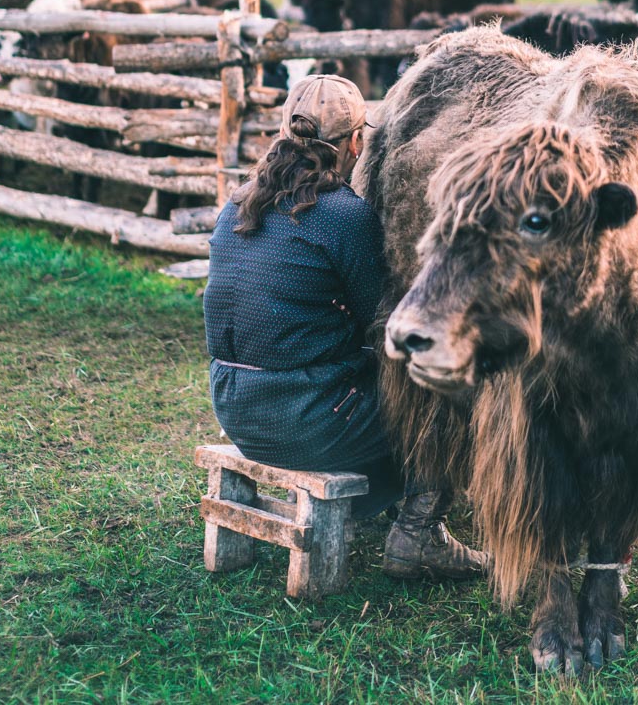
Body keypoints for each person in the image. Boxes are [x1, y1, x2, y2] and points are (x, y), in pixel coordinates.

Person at [203, 73, 486, 580]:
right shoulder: (343, 217)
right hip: (304, 420)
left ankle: (391, 504)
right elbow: (379, 324)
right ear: (357, 141)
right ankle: (419, 534)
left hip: (234, 404)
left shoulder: (236, 205)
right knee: (444, 387)